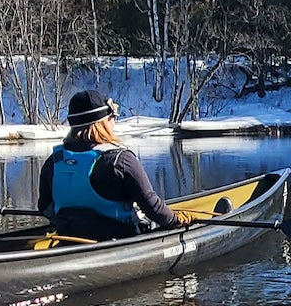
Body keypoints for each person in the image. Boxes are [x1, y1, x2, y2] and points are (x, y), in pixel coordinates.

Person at [37, 90, 195, 241]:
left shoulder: (54, 161)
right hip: (119, 240)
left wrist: (75, 221)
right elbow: (153, 208)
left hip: (68, 238)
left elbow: (45, 209)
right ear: (103, 122)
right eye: (112, 117)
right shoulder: (121, 159)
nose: (114, 121)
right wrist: (176, 221)